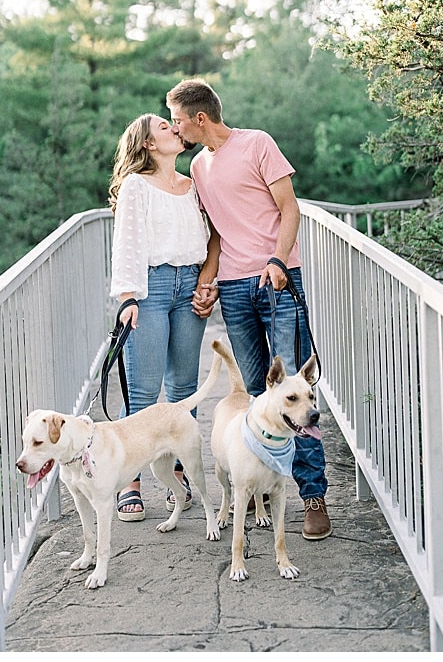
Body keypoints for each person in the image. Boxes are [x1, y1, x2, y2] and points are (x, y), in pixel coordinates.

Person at [166, 78, 332, 541]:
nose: (176, 129)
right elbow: (218, 232)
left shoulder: (258, 143)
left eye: (178, 120)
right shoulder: (198, 167)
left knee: (297, 392)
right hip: (237, 290)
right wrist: (208, 279)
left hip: (279, 280)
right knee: (260, 396)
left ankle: (313, 495)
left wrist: (279, 260)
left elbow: (290, 208)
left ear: (200, 118)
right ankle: (260, 488)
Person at [107, 113, 213, 522]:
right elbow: (128, 244)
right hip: (150, 290)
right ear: (149, 144)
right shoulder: (136, 186)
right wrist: (128, 297)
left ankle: (180, 476)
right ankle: (129, 482)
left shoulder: (192, 186)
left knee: (185, 388)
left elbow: (209, 238)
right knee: (144, 389)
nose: (174, 129)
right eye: (164, 128)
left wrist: (209, 282)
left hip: (190, 286)